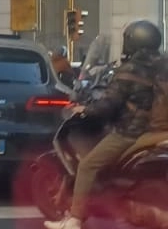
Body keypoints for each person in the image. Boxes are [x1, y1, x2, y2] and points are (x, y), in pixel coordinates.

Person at [44, 19, 164, 229]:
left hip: (133, 131)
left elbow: (109, 104)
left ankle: (75, 220)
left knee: (88, 165)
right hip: (161, 131)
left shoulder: (131, 69)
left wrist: (86, 110)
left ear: (133, 42)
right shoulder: (164, 63)